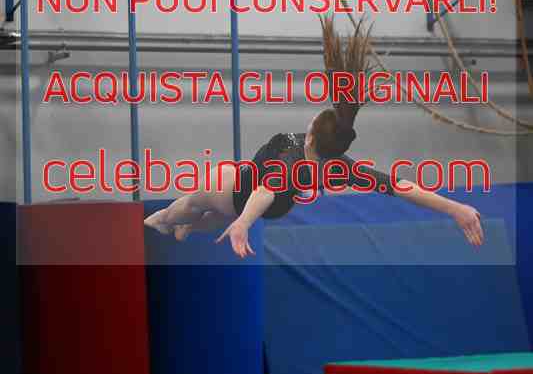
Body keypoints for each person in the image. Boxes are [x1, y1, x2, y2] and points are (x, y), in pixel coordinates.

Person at [144, 16, 484, 258]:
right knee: (209, 221)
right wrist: (455, 207)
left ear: (310, 136)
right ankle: (188, 227)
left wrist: (244, 223)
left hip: (234, 189)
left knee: (191, 204)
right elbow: (399, 186)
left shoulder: (292, 157)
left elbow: (264, 191)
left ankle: (162, 219)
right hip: (273, 208)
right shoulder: (341, 166)